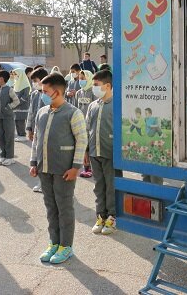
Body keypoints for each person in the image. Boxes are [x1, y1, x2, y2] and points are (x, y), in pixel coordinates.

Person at [29, 73, 87, 264]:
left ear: (56, 91)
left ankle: (66, 246)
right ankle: (54, 242)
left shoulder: (73, 113)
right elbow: (37, 139)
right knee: (50, 207)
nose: (42, 94)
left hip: (64, 170)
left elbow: (81, 140)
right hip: (45, 168)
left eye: (45, 91)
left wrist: (76, 167)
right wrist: (33, 162)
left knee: (64, 208)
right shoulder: (42, 112)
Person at [85, 70, 120, 235]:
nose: (94, 88)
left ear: (107, 86)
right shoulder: (93, 105)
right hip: (94, 152)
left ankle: (112, 216)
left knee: (111, 185)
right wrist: (86, 151)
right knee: (98, 186)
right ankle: (101, 215)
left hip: (110, 153)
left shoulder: (117, 105)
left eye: (96, 85)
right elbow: (87, 129)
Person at [26, 67, 48, 192]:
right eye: (32, 81)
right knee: (38, 158)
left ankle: (46, 183)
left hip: (48, 131)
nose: (33, 83)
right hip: (36, 131)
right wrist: (29, 128)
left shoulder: (50, 94)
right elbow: (31, 112)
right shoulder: (34, 94)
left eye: (35, 80)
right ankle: (41, 182)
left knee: (47, 158)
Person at [0, 70, 20, 166]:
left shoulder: (9, 89)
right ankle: (3, 156)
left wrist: (8, 107)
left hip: (7, 117)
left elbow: (16, 101)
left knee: (8, 137)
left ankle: (10, 157)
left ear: (2, 78)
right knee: (0, 137)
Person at [76, 70, 96, 179]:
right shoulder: (79, 93)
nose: (81, 80)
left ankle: (92, 168)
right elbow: (76, 107)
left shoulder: (93, 92)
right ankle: (86, 168)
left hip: (90, 124)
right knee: (83, 146)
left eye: (83, 78)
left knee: (90, 146)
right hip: (80, 123)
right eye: (80, 78)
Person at [11, 68, 31, 141]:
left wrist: (17, 103)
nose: (14, 76)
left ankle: (22, 135)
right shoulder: (16, 83)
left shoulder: (26, 85)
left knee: (21, 121)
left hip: (22, 106)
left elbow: (25, 96)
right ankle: (19, 135)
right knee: (17, 120)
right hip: (16, 106)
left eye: (15, 74)